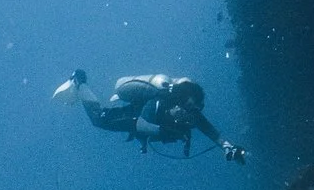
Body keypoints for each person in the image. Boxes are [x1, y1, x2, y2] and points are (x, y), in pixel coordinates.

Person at [55, 69, 244, 162]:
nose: (190, 114)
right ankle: (79, 83)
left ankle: (80, 85)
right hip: (133, 117)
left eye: (194, 109)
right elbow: (142, 124)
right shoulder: (159, 102)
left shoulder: (191, 113)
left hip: (146, 124)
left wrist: (228, 147)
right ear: (178, 102)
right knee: (99, 119)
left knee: (100, 119)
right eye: (187, 108)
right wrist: (165, 131)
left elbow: (211, 131)